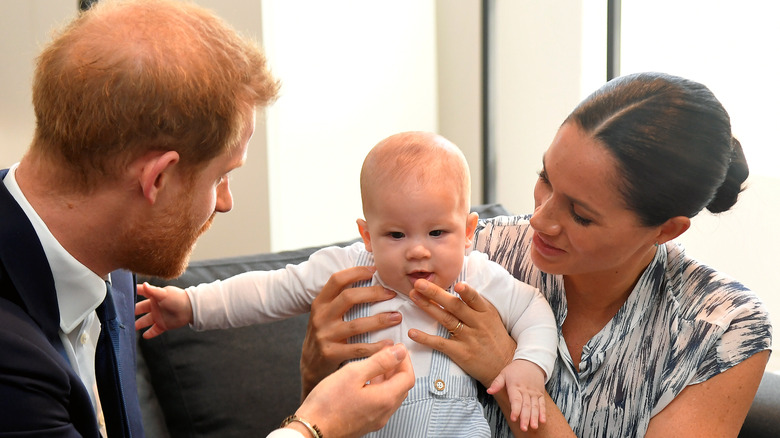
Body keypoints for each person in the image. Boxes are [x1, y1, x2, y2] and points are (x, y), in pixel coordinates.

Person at [0, 1, 413, 437]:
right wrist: (314, 428)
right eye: (222, 176)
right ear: (158, 178)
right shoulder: (11, 359)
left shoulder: (113, 265)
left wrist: (314, 388)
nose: (225, 202)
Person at [298, 72, 773, 437]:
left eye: (581, 215)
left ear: (666, 230)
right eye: (545, 178)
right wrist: (316, 368)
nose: (540, 220)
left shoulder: (722, 327)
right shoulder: (469, 251)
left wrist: (508, 369)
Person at [135, 131, 559, 436]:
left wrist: (527, 366)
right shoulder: (346, 269)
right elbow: (269, 291)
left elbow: (534, 311)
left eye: (437, 233)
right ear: (366, 234)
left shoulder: (477, 274)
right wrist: (191, 305)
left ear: (468, 232)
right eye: (396, 235)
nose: (417, 251)